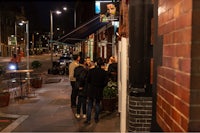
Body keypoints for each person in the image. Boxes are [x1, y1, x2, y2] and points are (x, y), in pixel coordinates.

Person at [84, 57, 108, 124]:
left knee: (90, 105)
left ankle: (88, 119)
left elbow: (87, 80)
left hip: (91, 89)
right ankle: (96, 118)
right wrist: (102, 86)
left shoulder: (91, 71)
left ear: (96, 63)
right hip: (99, 90)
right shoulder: (104, 72)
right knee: (97, 104)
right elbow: (106, 82)